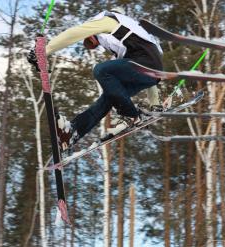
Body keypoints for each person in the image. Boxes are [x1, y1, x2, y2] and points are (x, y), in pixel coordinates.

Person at [28, 7, 163, 150]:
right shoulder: (124, 39)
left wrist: (43, 51)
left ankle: (131, 115)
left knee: (101, 70)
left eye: (89, 40)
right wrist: (155, 103)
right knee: (111, 96)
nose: (90, 44)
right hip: (151, 71)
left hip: (147, 64)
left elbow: (74, 33)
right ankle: (72, 132)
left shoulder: (108, 19)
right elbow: (148, 69)